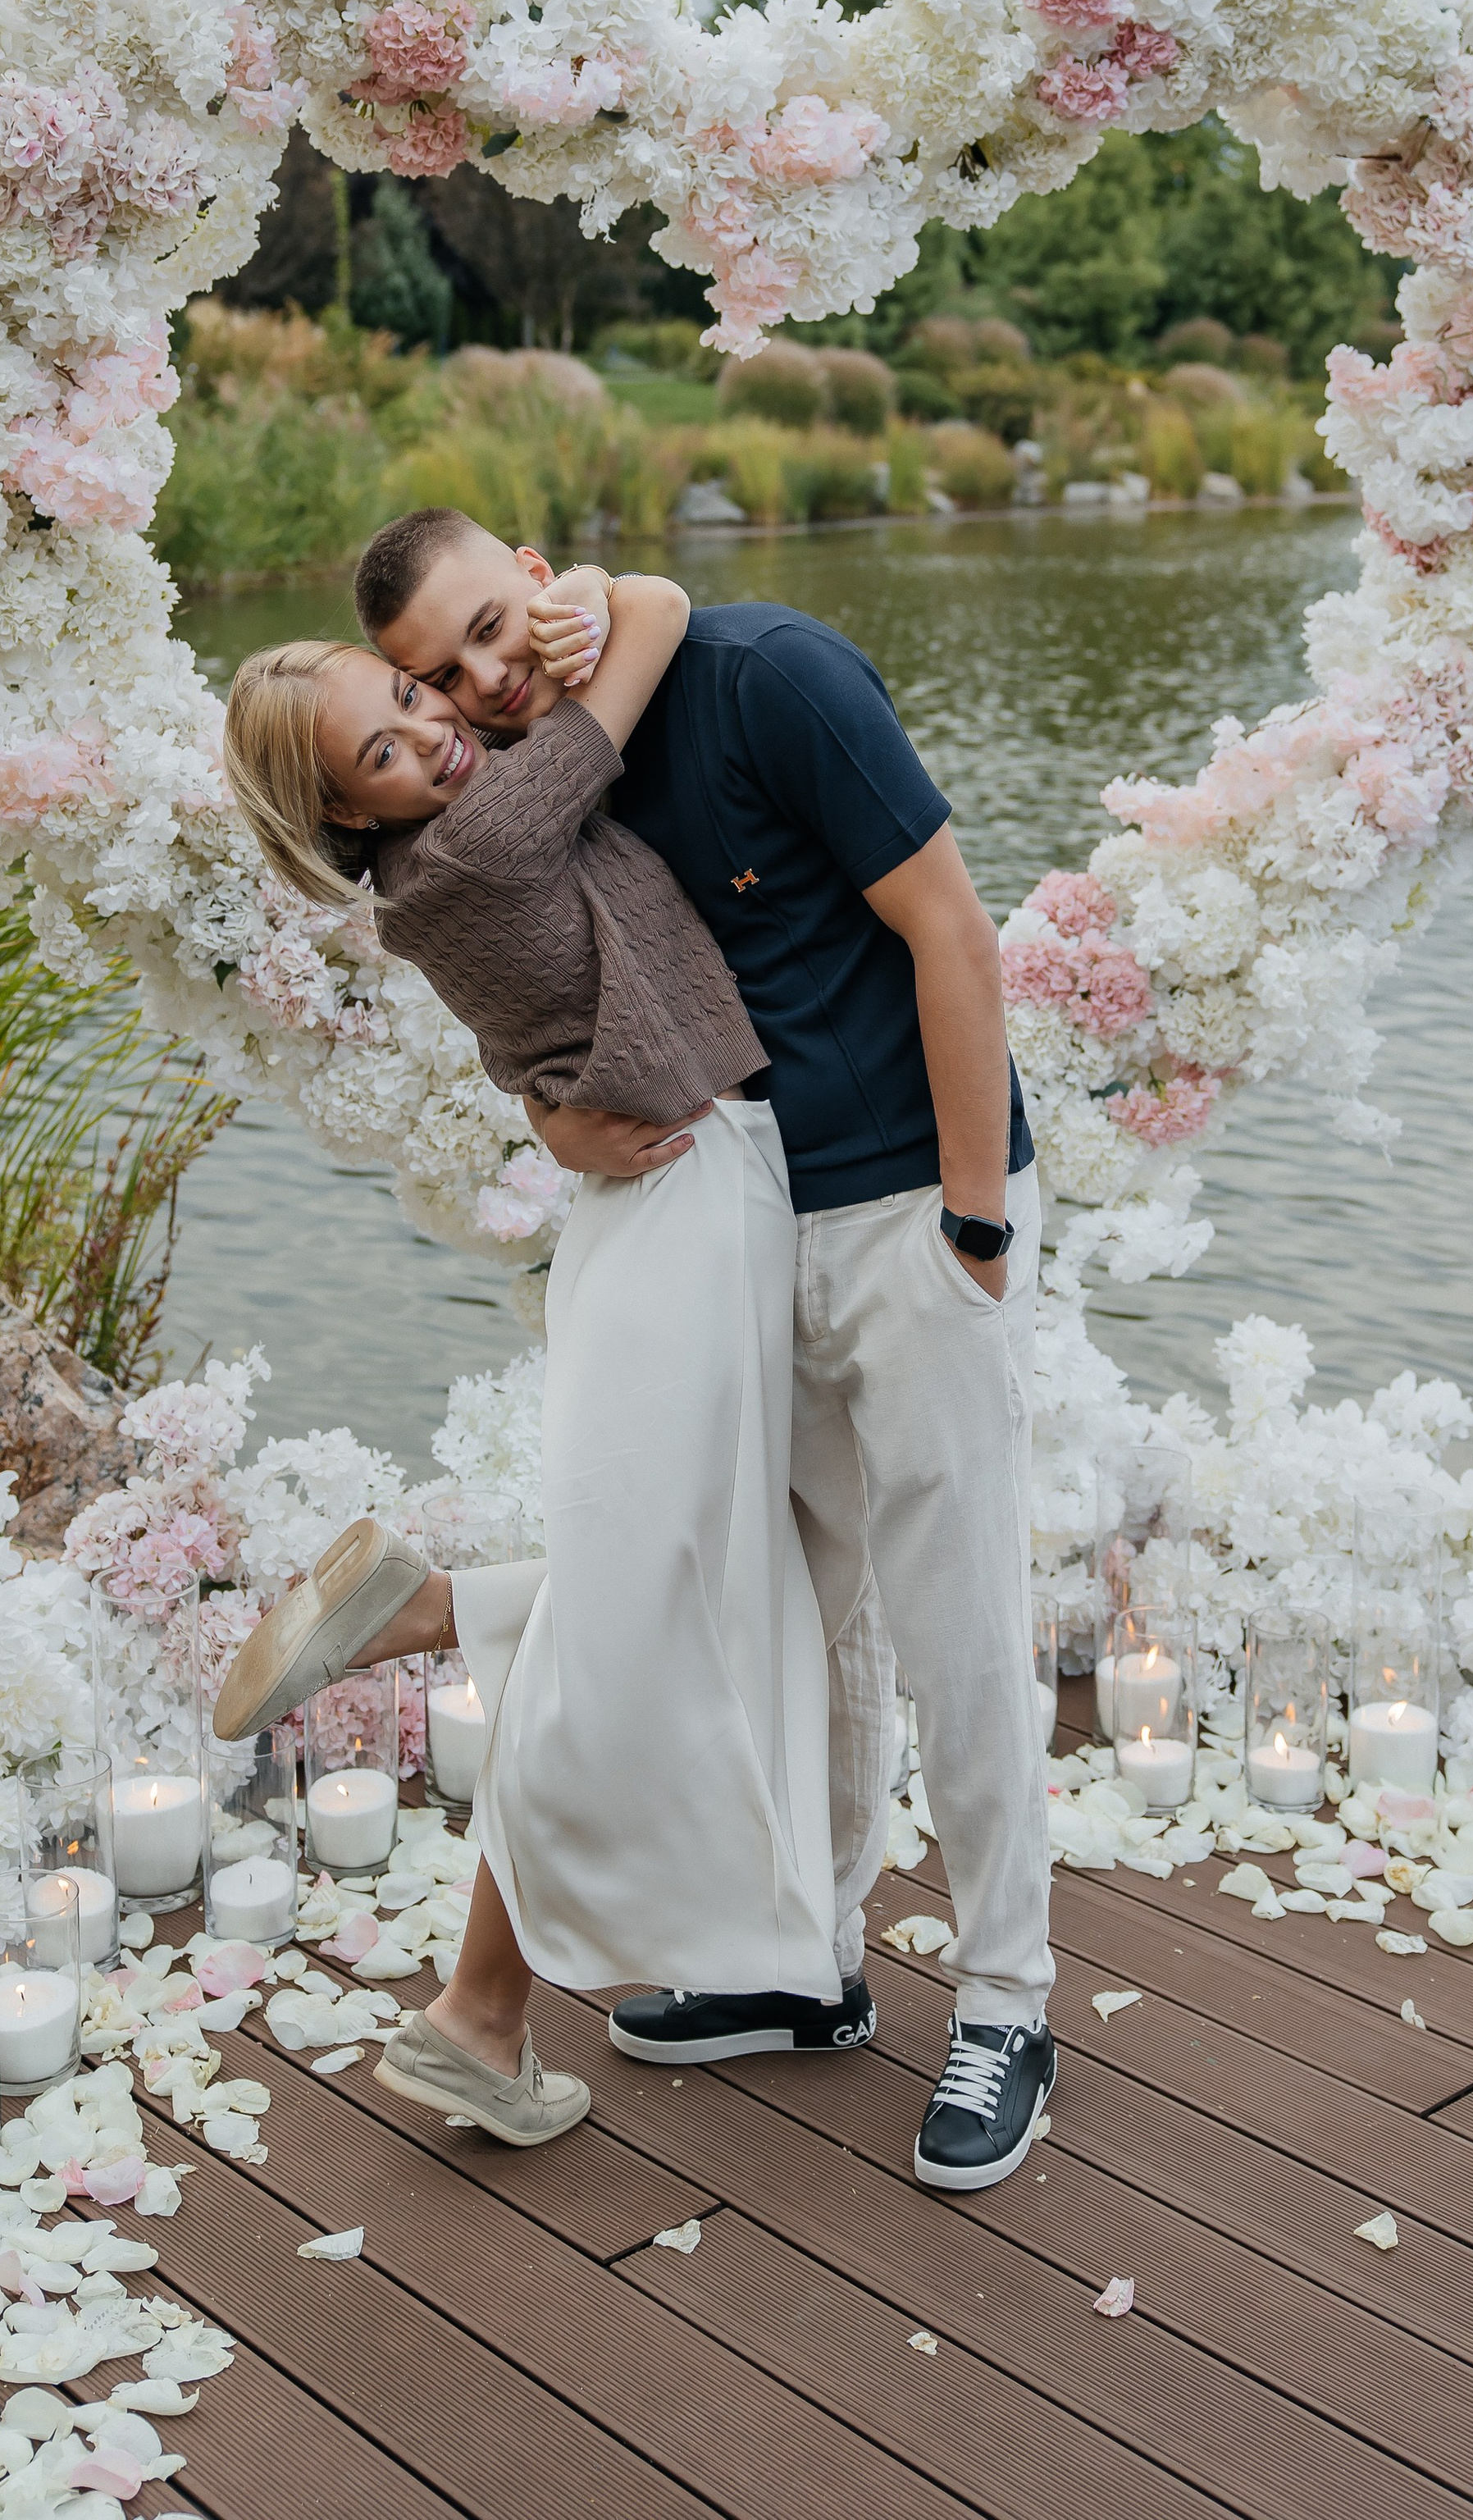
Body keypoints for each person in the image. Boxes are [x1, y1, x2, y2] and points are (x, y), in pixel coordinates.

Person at [355, 506, 1056, 2194]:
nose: (480, 676)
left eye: (487, 626)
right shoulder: (542, 777)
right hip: (743, 1232)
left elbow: (951, 933)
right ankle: (803, 1965)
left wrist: (972, 1222)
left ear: (534, 569)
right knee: (799, 1608)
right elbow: (543, 972)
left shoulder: (764, 673)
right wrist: (543, 1109)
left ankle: (1008, 2001)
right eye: (434, 673)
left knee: (957, 1612)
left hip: (908, 1210)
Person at [215, 565, 839, 2148]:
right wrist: (628, 595)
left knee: (667, 1588)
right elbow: (658, 638)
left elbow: (529, 1023)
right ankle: (477, 2009)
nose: (433, 735)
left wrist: (545, 1101)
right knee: (644, 1612)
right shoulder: (485, 833)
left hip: (675, 1199)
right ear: (350, 819)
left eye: (417, 700)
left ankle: (431, 1626)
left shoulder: (442, 869)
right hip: (687, 1201)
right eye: (384, 750)